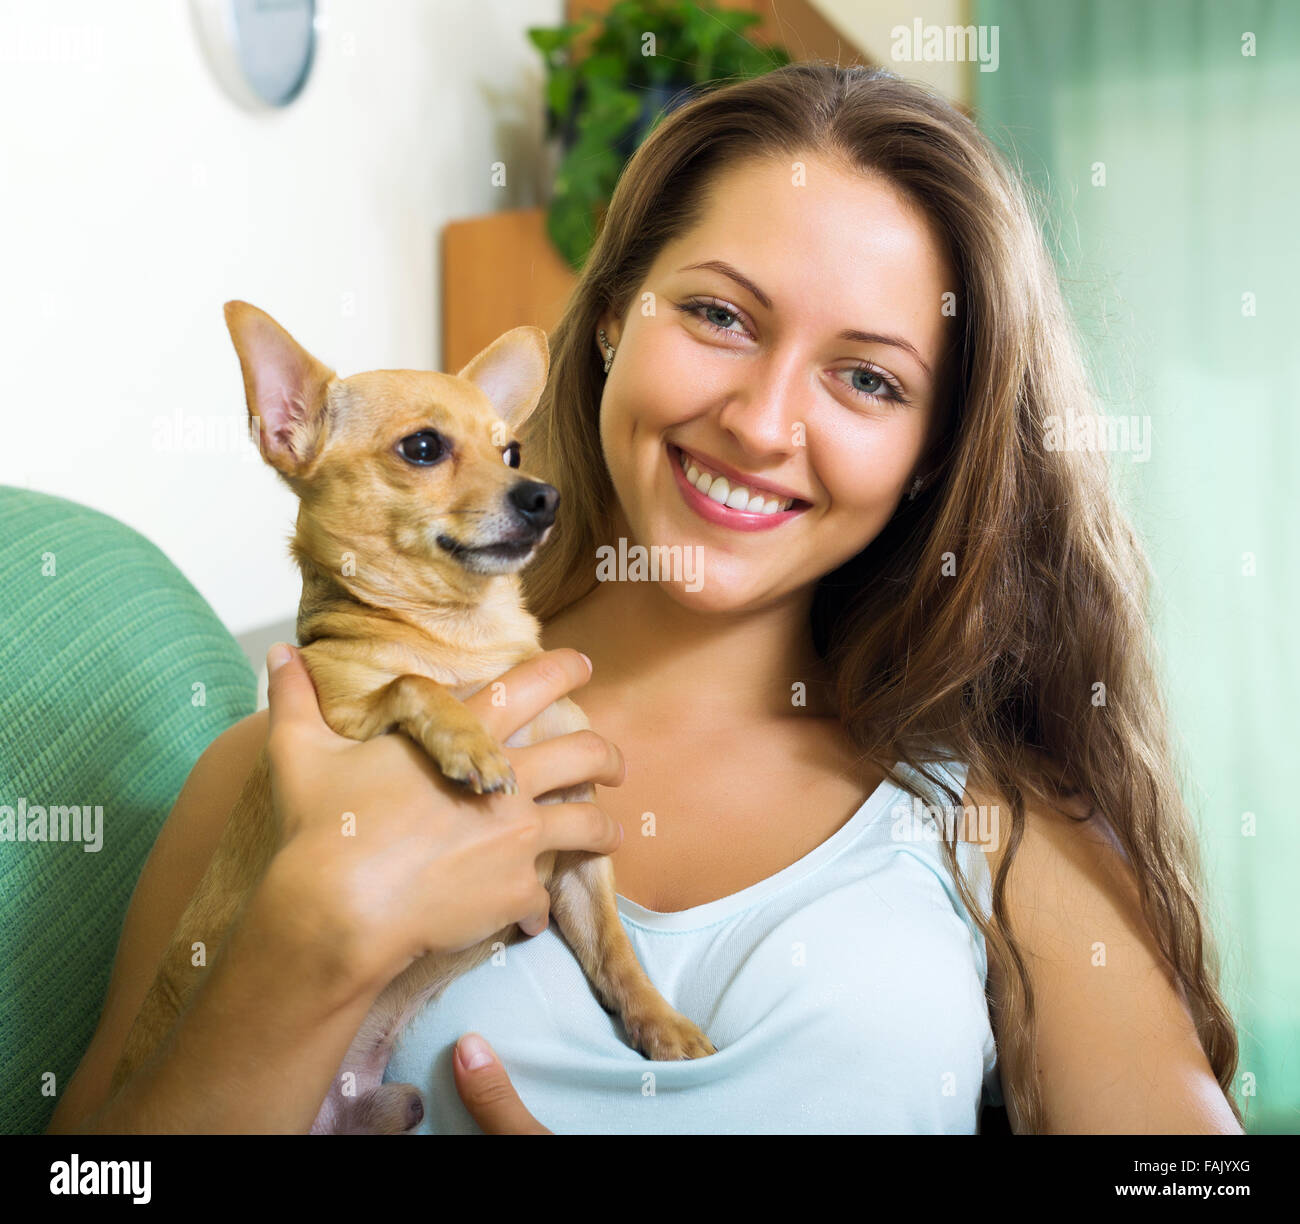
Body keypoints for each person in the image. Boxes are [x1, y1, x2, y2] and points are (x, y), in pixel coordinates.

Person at [46, 63, 1243, 1135]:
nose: (763, 422)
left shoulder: (999, 822)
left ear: (935, 446)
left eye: (869, 378)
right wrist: (312, 936)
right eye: (720, 314)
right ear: (613, 314)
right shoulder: (277, 766)